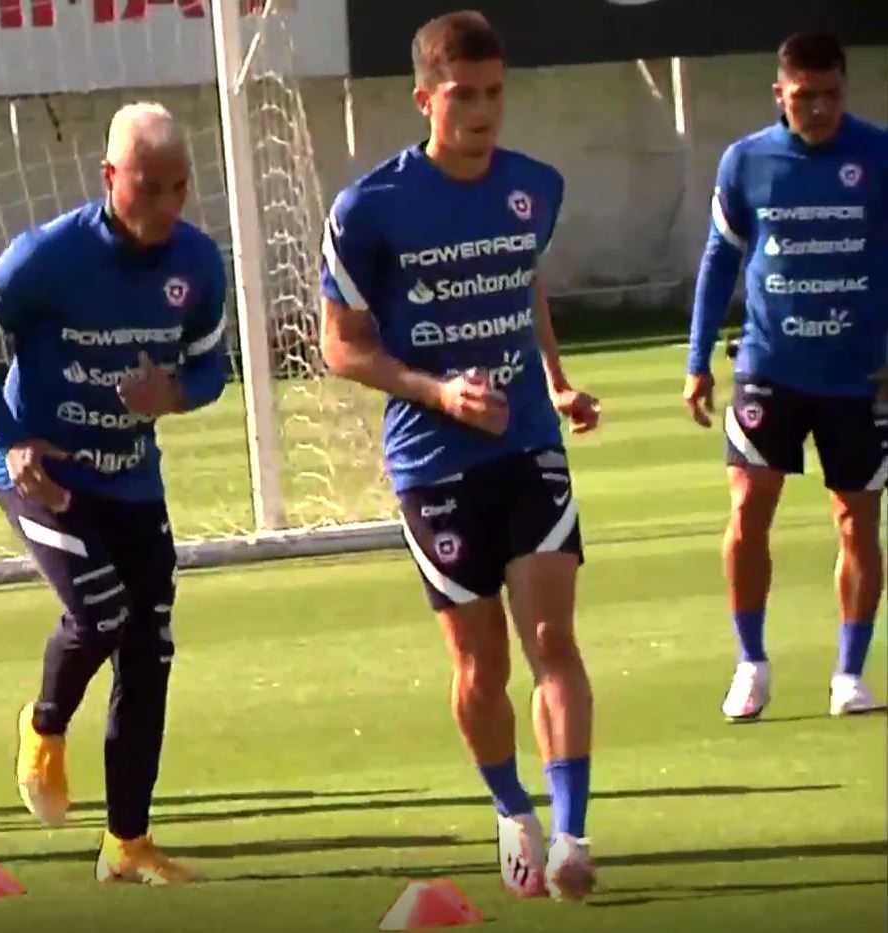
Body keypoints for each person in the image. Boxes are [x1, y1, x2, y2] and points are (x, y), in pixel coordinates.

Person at [317, 11, 601, 901]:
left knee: (552, 635)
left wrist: (552, 379)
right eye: (462, 96)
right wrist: (438, 392)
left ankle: (572, 833)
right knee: (480, 665)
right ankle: (510, 807)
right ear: (424, 100)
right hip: (432, 463)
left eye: (493, 93)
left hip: (526, 445)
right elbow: (340, 346)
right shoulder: (369, 209)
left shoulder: (535, 186)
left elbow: (524, 279)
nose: (482, 112)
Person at [0, 101, 229, 885]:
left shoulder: (198, 263)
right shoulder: (49, 256)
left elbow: (211, 369)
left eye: (179, 188)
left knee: (150, 646)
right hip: (46, 478)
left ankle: (126, 845)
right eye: (148, 188)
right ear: (109, 177)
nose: (167, 207)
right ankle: (43, 726)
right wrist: (11, 438)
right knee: (103, 613)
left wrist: (172, 394)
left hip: (132, 478)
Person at [686, 30, 886, 721]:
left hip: (859, 373)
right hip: (768, 364)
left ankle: (848, 674)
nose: (820, 108)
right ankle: (750, 662)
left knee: (857, 520)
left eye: (831, 94)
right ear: (779, 94)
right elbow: (719, 260)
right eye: (805, 97)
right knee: (747, 511)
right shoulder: (746, 162)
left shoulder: (877, 154)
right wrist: (695, 359)